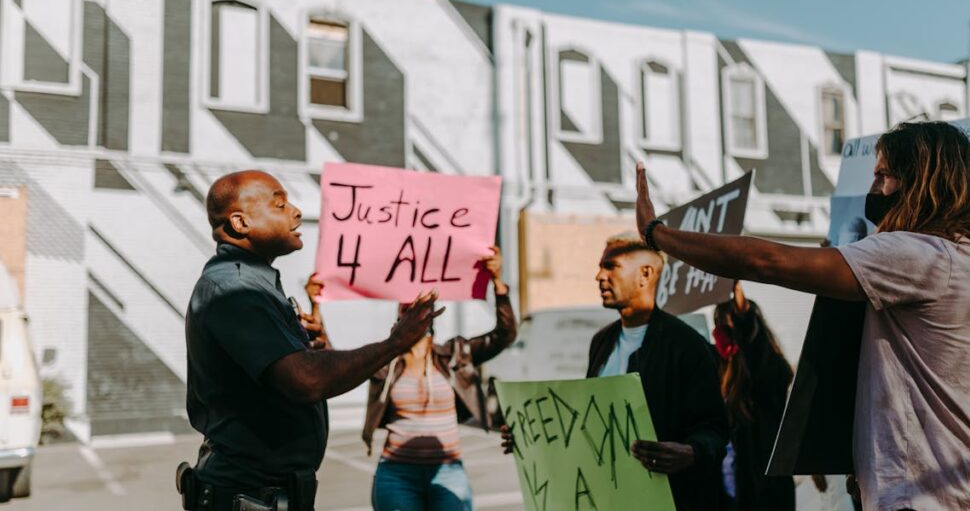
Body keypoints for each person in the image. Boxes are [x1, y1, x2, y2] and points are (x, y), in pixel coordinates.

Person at [634, 121, 970, 510]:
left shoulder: (920, 256)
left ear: (920, 180)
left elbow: (765, 262)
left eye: (884, 175)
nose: (873, 189)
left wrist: (658, 235)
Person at [178, 170, 442, 511]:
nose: (296, 212)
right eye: (280, 204)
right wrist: (396, 342)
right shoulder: (233, 288)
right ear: (240, 223)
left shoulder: (252, 285)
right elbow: (305, 380)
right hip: (248, 496)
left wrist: (307, 347)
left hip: (264, 495)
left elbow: (292, 376)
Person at [501, 232, 729, 510]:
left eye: (611, 266)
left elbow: (715, 428)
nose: (599, 276)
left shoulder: (686, 345)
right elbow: (589, 423)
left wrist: (690, 452)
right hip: (609, 499)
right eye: (600, 266)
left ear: (645, 274)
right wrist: (528, 437)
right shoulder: (601, 342)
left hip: (668, 499)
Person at [355, 245, 516, 511]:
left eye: (419, 305)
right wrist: (316, 310)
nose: (412, 309)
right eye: (406, 307)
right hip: (397, 474)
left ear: (432, 315)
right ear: (398, 317)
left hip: (448, 471)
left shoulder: (455, 354)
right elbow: (336, 363)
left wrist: (497, 283)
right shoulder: (387, 361)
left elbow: (504, 335)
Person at [713, 281, 794, 510]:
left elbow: (754, 350)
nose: (721, 332)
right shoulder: (720, 372)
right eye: (717, 325)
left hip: (764, 491)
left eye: (727, 326)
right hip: (730, 490)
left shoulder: (768, 371)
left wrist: (741, 311)